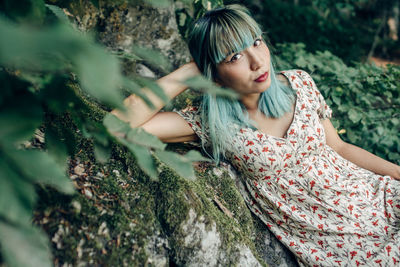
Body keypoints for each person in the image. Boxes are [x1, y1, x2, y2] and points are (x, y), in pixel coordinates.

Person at [111, 4, 400, 267]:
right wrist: (188, 71)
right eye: (234, 56)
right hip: (339, 240)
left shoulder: (299, 82)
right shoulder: (212, 123)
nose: (258, 62)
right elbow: (117, 126)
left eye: (256, 42)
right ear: (213, 72)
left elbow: (339, 147)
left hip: (373, 197)